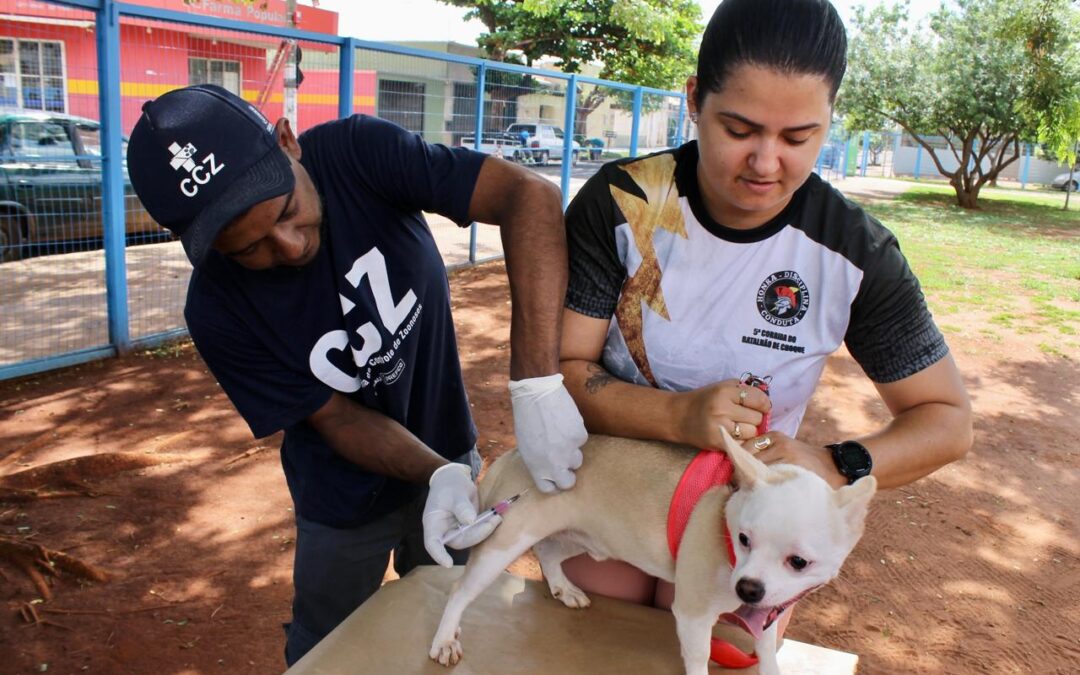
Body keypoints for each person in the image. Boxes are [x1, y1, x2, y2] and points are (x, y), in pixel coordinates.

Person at [124, 84, 587, 666]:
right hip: (338, 501)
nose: (289, 248)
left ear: (287, 141)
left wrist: (536, 385)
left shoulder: (357, 155)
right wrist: (436, 473)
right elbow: (336, 417)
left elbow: (527, 195)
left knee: (461, 621)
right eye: (251, 249)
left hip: (452, 449)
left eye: (286, 212)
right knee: (326, 648)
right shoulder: (216, 309)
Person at [557, 0, 973, 628]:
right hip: (615, 481)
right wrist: (677, 415)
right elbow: (563, 368)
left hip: (748, 517)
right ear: (695, 98)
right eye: (740, 129)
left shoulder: (855, 252)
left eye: (798, 137)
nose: (765, 163)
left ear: (829, 122)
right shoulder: (623, 201)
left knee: (713, 646)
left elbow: (946, 421)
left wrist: (835, 464)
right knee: (593, 635)